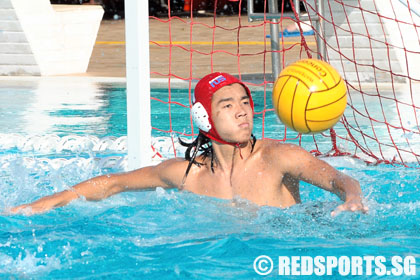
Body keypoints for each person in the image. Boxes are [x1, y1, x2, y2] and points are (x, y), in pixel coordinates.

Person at [10, 72, 368, 216]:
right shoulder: (188, 175)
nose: (243, 112)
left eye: (245, 102)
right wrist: (40, 205)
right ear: (204, 118)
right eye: (228, 105)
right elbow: (113, 183)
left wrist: (353, 199)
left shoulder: (278, 157)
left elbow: (338, 180)